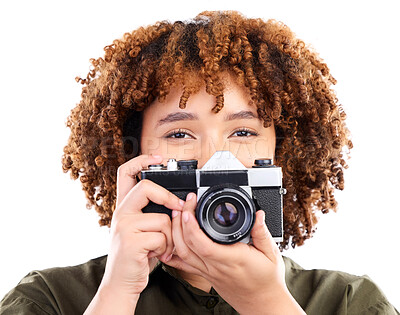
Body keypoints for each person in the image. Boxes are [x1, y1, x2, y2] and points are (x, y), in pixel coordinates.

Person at [0, 10, 398, 315]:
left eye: (242, 133)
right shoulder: (47, 300)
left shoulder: (350, 303)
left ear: (282, 156)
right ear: (133, 156)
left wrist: (266, 301)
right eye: (179, 135)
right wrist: (118, 291)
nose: (212, 159)